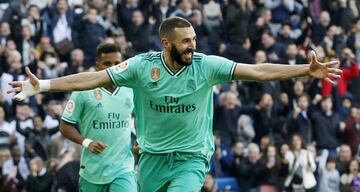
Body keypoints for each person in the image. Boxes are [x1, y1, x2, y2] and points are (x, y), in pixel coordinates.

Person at [8, 17, 341, 192]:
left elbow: (257, 71)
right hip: (152, 157)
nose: (192, 46)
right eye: (186, 42)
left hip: (191, 157)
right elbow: (92, 79)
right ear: (166, 43)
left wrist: (305, 70)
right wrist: (44, 86)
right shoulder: (141, 67)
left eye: (194, 39)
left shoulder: (206, 65)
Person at [59, 43, 136, 191]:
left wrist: (139, 140)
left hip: (123, 168)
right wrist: (87, 142)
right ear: (97, 66)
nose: (113, 68)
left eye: (117, 64)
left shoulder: (130, 89)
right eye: (107, 64)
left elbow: (137, 118)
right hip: (92, 171)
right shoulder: (83, 91)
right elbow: (65, 126)